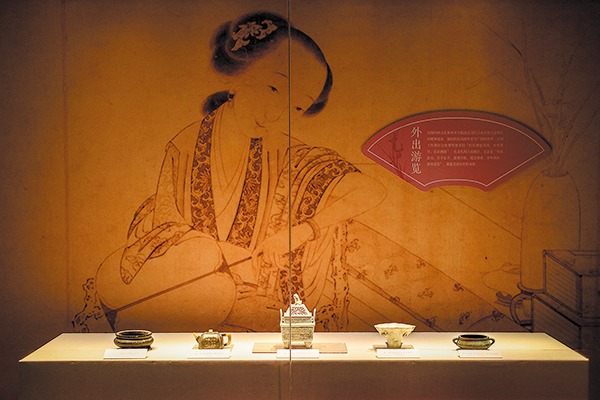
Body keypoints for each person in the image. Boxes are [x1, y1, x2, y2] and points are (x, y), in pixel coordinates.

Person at [78, 11, 385, 332]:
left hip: (251, 295)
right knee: (170, 272)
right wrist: (219, 255)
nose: (277, 113)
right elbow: (165, 233)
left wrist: (302, 231)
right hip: (187, 284)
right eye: (274, 89)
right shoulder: (184, 146)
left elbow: (370, 190)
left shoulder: (289, 154)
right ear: (239, 75)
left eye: (297, 106)